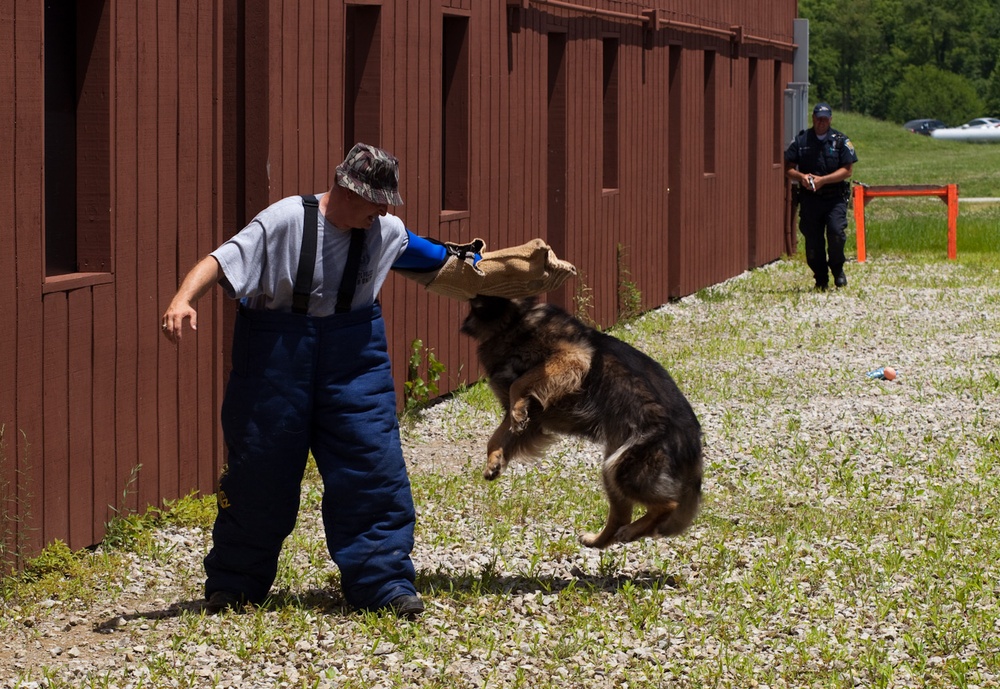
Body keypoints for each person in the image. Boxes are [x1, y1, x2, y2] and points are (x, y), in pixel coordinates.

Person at [161, 143, 482, 619]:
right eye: (375, 201)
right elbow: (220, 260)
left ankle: (383, 583)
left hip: (355, 358)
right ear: (346, 189)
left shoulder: (385, 230)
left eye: (385, 203)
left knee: (373, 465)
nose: (382, 211)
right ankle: (235, 585)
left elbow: (445, 262)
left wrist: (505, 272)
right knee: (258, 474)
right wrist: (181, 300)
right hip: (274, 357)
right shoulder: (285, 220)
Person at [784, 102, 858, 290]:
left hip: (834, 198)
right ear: (813, 119)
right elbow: (788, 169)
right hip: (810, 199)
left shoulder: (840, 140)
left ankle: (838, 269)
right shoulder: (802, 141)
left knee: (836, 233)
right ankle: (821, 278)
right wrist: (801, 177)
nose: (821, 122)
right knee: (813, 242)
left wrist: (823, 180)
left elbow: (847, 171)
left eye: (825, 119)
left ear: (830, 119)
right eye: (818, 118)